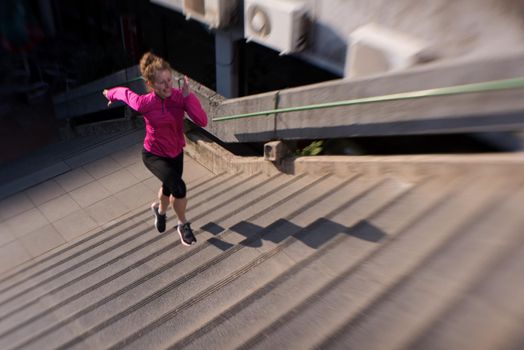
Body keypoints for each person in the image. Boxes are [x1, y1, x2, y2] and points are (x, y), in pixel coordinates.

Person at [103, 52, 208, 246]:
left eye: (169, 80)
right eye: (161, 82)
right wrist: (110, 94)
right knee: (179, 187)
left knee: (168, 189)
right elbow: (124, 93)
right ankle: (183, 224)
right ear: (151, 85)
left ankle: (160, 211)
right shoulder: (145, 103)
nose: (168, 85)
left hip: (176, 152)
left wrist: (188, 96)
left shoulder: (179, 98)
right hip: (153, 155)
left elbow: (202, 121)